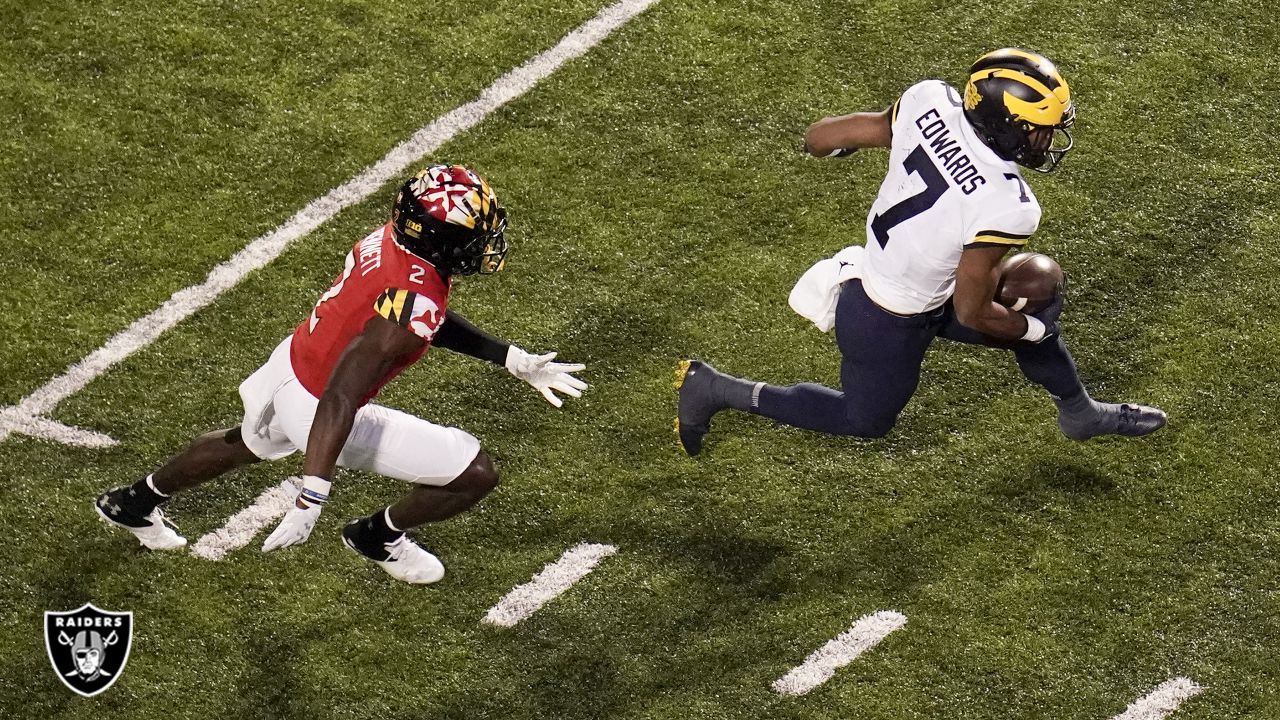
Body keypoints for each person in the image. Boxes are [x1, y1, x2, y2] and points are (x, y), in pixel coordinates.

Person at [95, 165, 587, 583]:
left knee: (246, 442)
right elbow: (342, 397)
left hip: (295, 358)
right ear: (438, 238)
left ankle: (133, 501)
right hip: (318, 403)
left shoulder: (393, 242)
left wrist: (508, 357)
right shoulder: (411, 304)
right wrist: (312, 494)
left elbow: (412, 311)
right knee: (475, 474)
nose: (482, 244)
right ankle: (378, 536)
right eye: (472, 236)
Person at [676, 48, 1165, 456]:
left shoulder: (929, 100)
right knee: (865, 419)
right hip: (885, 316)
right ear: (1004, 125)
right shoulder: (1008, 204)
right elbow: (972, 312)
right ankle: (717, 388)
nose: (1046, 139)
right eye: (1038, 128)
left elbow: (821, 137)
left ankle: (1080, 413)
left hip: (913, 282)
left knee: (1031, 293)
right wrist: (1032, 328)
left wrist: (833, 149)